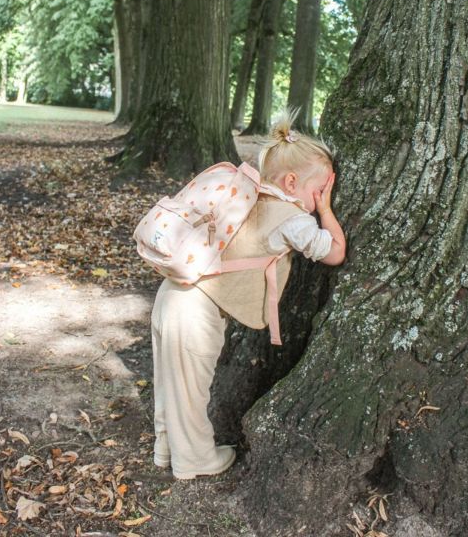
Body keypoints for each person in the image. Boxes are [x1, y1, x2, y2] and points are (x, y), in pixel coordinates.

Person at [149, 110, 347, 480]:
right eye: (317, 190)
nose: (318, 198)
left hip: (172, 293)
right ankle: (194, 460)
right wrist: (326, 209)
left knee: (170, 380)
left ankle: (165, 448)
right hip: (196, 311)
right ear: (291, 181)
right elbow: (335, 252)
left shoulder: (247, 196)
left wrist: (317, 198)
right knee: (191, 391)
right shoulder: (293, 218)